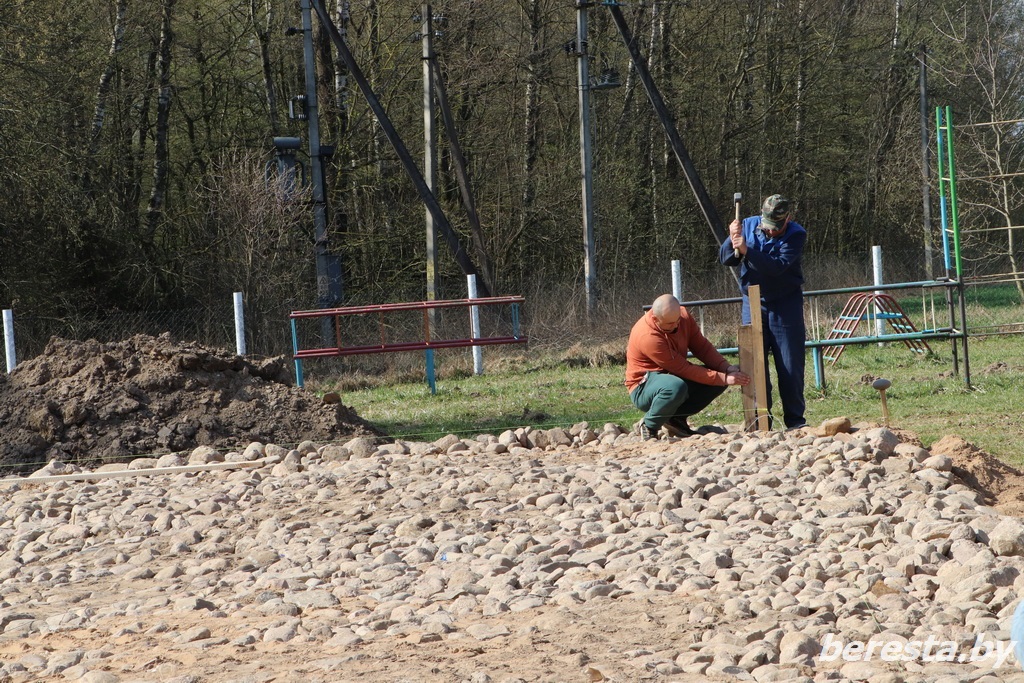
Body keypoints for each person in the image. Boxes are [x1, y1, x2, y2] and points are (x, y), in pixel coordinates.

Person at [719, 193, 807, 429]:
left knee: (790, 365)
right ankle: (759, 423)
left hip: (786, 304)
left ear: (787, 219)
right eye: (766, 226)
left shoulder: (796, 234)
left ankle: (795, 422)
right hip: (753, 302)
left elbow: (777, 266)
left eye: (775, 228)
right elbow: (727, 259)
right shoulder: (747, 225)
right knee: (754, 364)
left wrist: (746, 249)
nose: (769, 231)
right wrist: (732, 238)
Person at [625, 294, 750, 440]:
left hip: (670, 377)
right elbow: (683, 369)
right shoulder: (648, 336)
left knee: (716, 377)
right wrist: (723, 378)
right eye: (670, 324)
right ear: (655, 319)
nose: (676, 326)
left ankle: (675, 419)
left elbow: (701, 347)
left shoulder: (683, 317)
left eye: (677, 320)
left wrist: (725, 368)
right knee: (675, 387)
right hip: (643, 387)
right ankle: (649, 425)